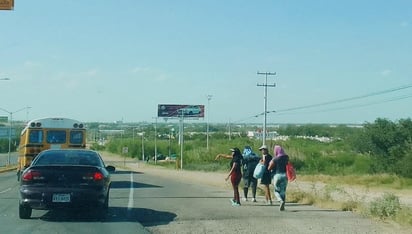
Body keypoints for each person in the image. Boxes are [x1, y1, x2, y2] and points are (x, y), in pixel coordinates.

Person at [268, 145, 289, 211]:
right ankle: (283, 205)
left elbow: (269, 167)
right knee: (283, 191)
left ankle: (280, 200)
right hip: (285, 175)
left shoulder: (275, 159)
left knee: (276, 190)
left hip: (277, 175)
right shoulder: (286, 158)